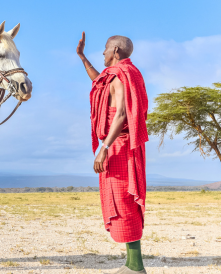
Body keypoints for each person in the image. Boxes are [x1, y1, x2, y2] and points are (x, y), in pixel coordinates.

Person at [76, 32, 149, 274]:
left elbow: (121, 115)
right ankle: (130, 264)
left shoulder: (121, 76)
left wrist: (103, 149)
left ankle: (137, 267)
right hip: (116, 145)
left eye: (106, 49)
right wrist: (82, 57)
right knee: (119, 202)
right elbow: (99, 83)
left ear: (115, 50)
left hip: (120, 146)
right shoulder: (119, 75)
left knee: (126, 201)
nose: (103, 53)